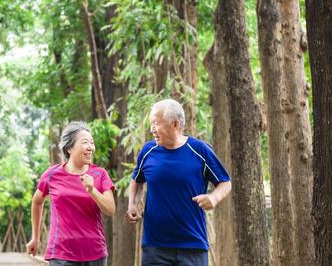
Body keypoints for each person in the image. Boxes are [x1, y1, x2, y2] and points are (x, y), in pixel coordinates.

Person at [127, 99, 232, 266]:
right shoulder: (148, 151)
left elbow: (225, 182)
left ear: (175, 124)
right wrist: (132, 203)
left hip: (192, 246)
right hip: (155, 247)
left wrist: (214, 198)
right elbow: (137, 180)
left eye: (156, 123)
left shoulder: (199, 150)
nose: (151, 129)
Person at [27, 122, 115, 266]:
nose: (90, 147)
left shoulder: (100, 174)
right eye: (85, 142)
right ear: (69, 148)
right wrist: (35, 237)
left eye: (91, 143)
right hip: (61, 254)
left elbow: (110, 210)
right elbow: (37, 201)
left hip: (95, 254)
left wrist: (92, 190)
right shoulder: (52, 174)